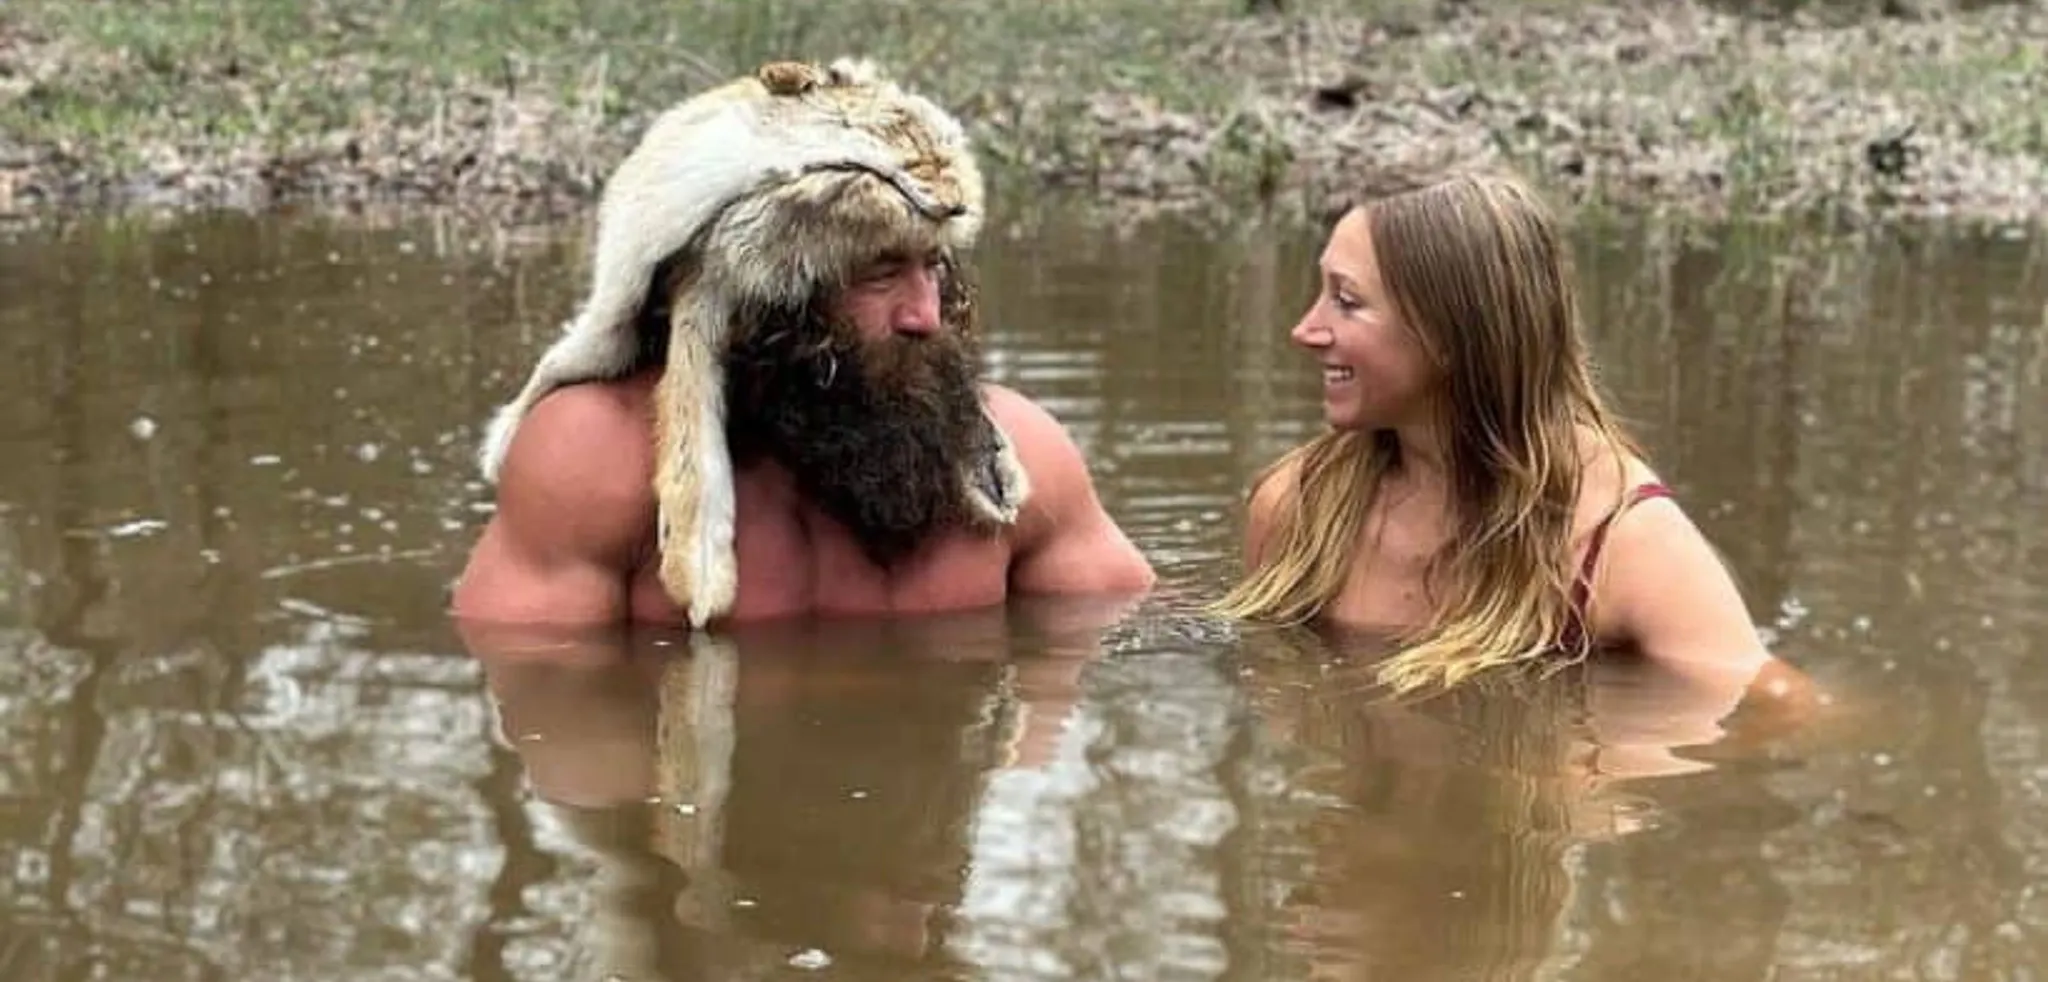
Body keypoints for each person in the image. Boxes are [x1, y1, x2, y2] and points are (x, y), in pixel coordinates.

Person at [450, 58, 1152, 629]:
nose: (926, 316)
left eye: (932, 267)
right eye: (879, 274)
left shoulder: (1020, 465)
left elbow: (1127, 647)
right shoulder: (592, 461)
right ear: (750, 301)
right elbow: (556, 717)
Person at [1211, 170, 1814, 703]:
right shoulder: (1298, 509)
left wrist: (1610, 761)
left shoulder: (1618, 541)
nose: (1305, 330)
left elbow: (1776, 706)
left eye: (1346, 301)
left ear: (1449, 333)